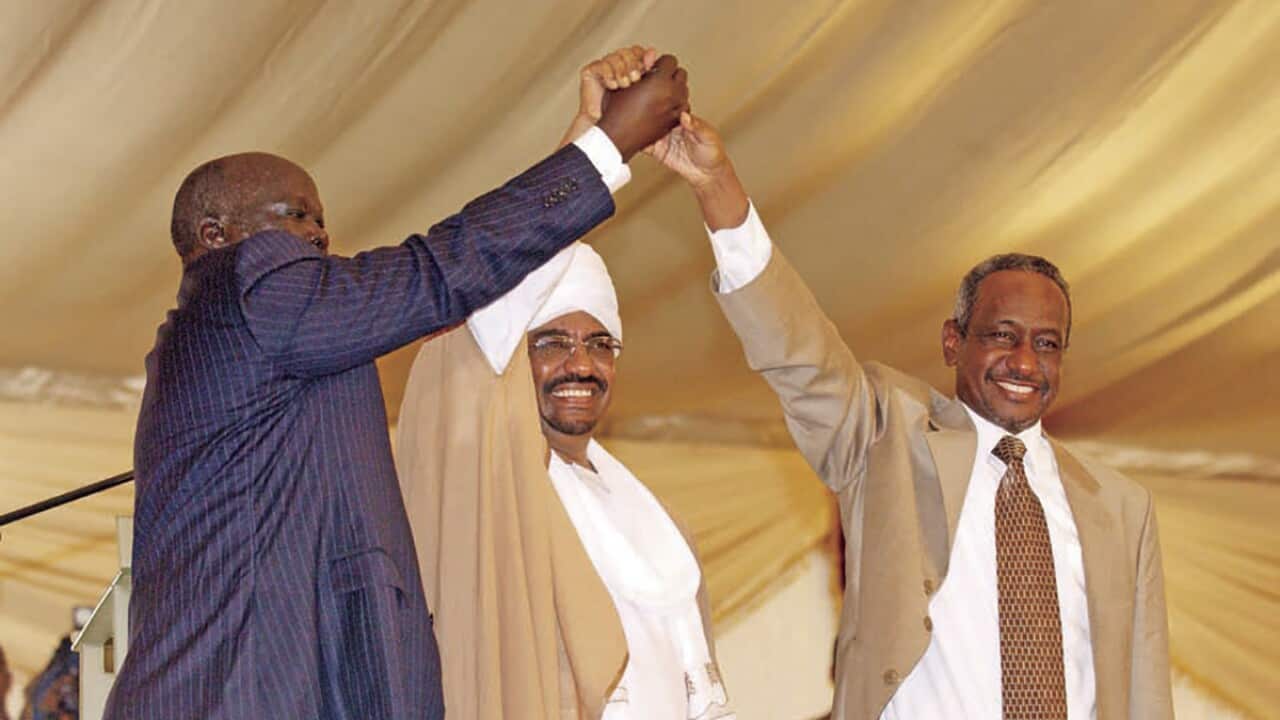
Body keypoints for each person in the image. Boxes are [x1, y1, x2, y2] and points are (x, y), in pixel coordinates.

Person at [107, 51, 690, 720]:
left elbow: (464, 293)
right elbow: (436, 274)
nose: (320, 234)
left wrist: (580, 138)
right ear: (218, 236)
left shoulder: (252, 338)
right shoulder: (245, 281)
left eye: (321, 220)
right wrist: (606, 147)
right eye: (295, 216)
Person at [651, 114, 1173, 719]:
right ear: (955, 342)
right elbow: (800, 357)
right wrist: (718, 187)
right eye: (1003, 335)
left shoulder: (1122, 508)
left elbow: (1145, 695)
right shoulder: (886, 438)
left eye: (1047, 343)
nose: (1025, 362)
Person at [395, 49, 733, 720]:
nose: (580, 365)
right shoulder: (489, 475)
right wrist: (596, 144)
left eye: (599, 344)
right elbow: (490, 295)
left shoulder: (641, 507)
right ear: (512, 353)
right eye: (550, 343)